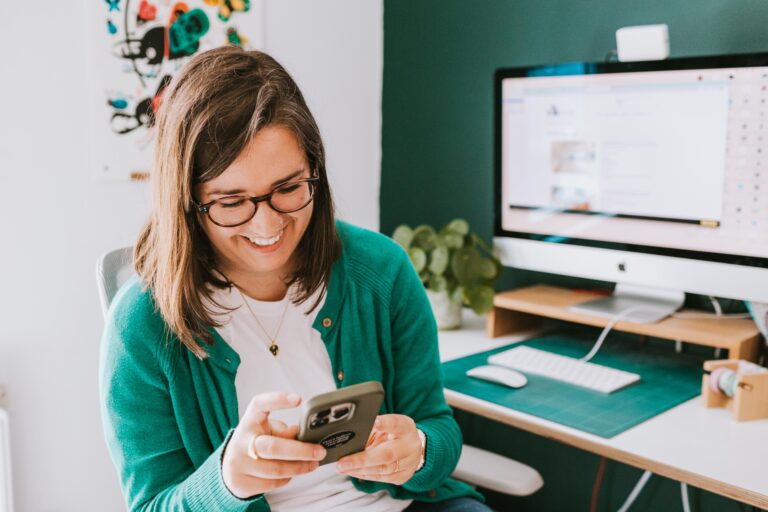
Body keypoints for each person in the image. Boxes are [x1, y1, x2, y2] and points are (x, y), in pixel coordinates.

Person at [99, 46, 491, 512]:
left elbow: (437, 427)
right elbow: (152, 505)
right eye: (230, 202)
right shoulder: (143, 324)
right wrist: (227, 480)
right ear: (186, 201)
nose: (267, 228)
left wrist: (420, 449)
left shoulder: (381, 272)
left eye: (289, 188)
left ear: (315, 172)